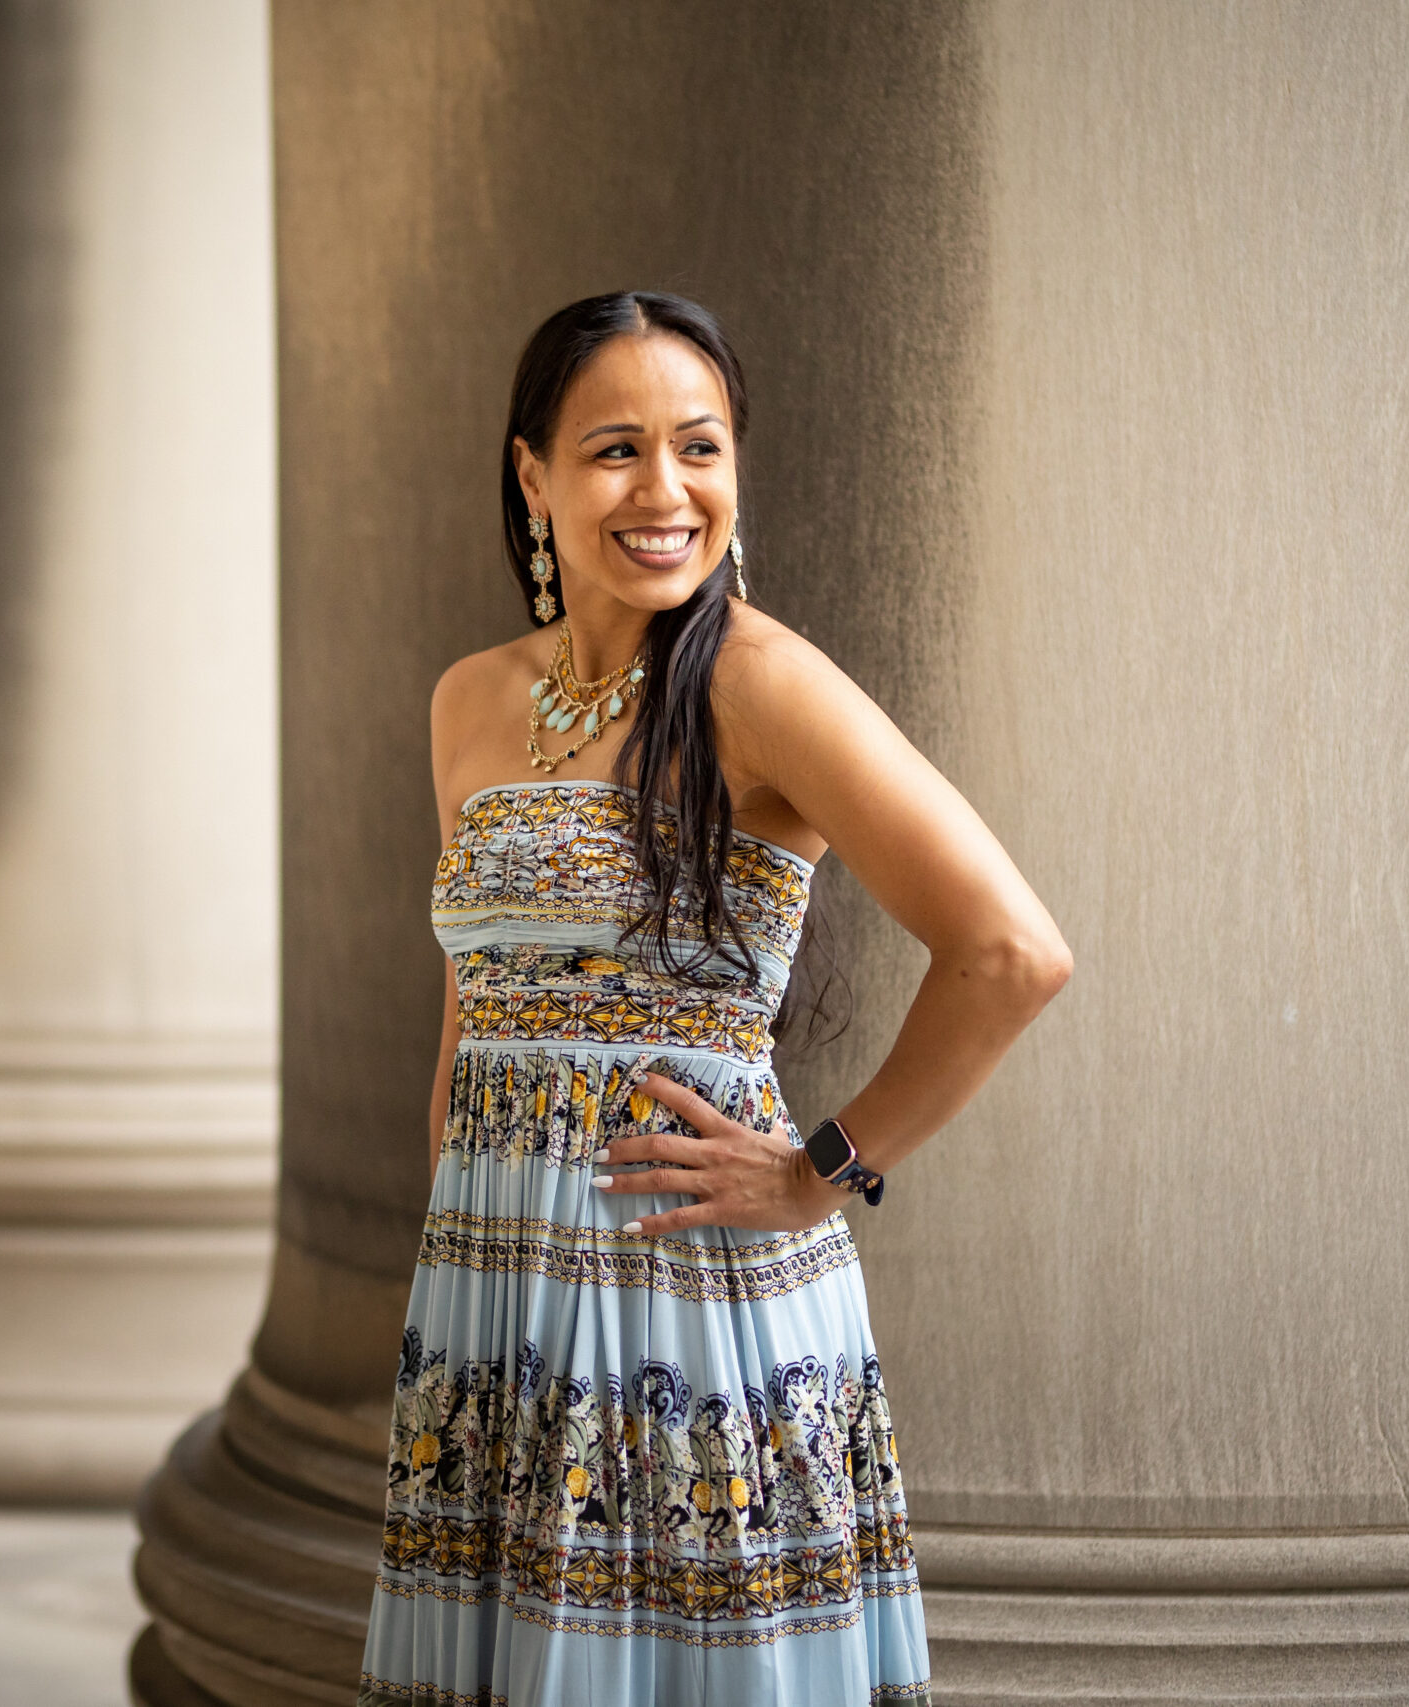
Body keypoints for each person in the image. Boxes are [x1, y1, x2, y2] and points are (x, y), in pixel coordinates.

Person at [356, 291, 1072, 1707]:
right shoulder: (468, 701)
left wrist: (825, 1170)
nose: (666, 490)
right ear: (533, 475)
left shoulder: (761, 683)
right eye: (616, 448)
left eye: (702, 447)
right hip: (497, 1306)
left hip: (685, 1305)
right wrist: (466, 1259)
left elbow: (1012, 951)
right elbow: (475, 1008)